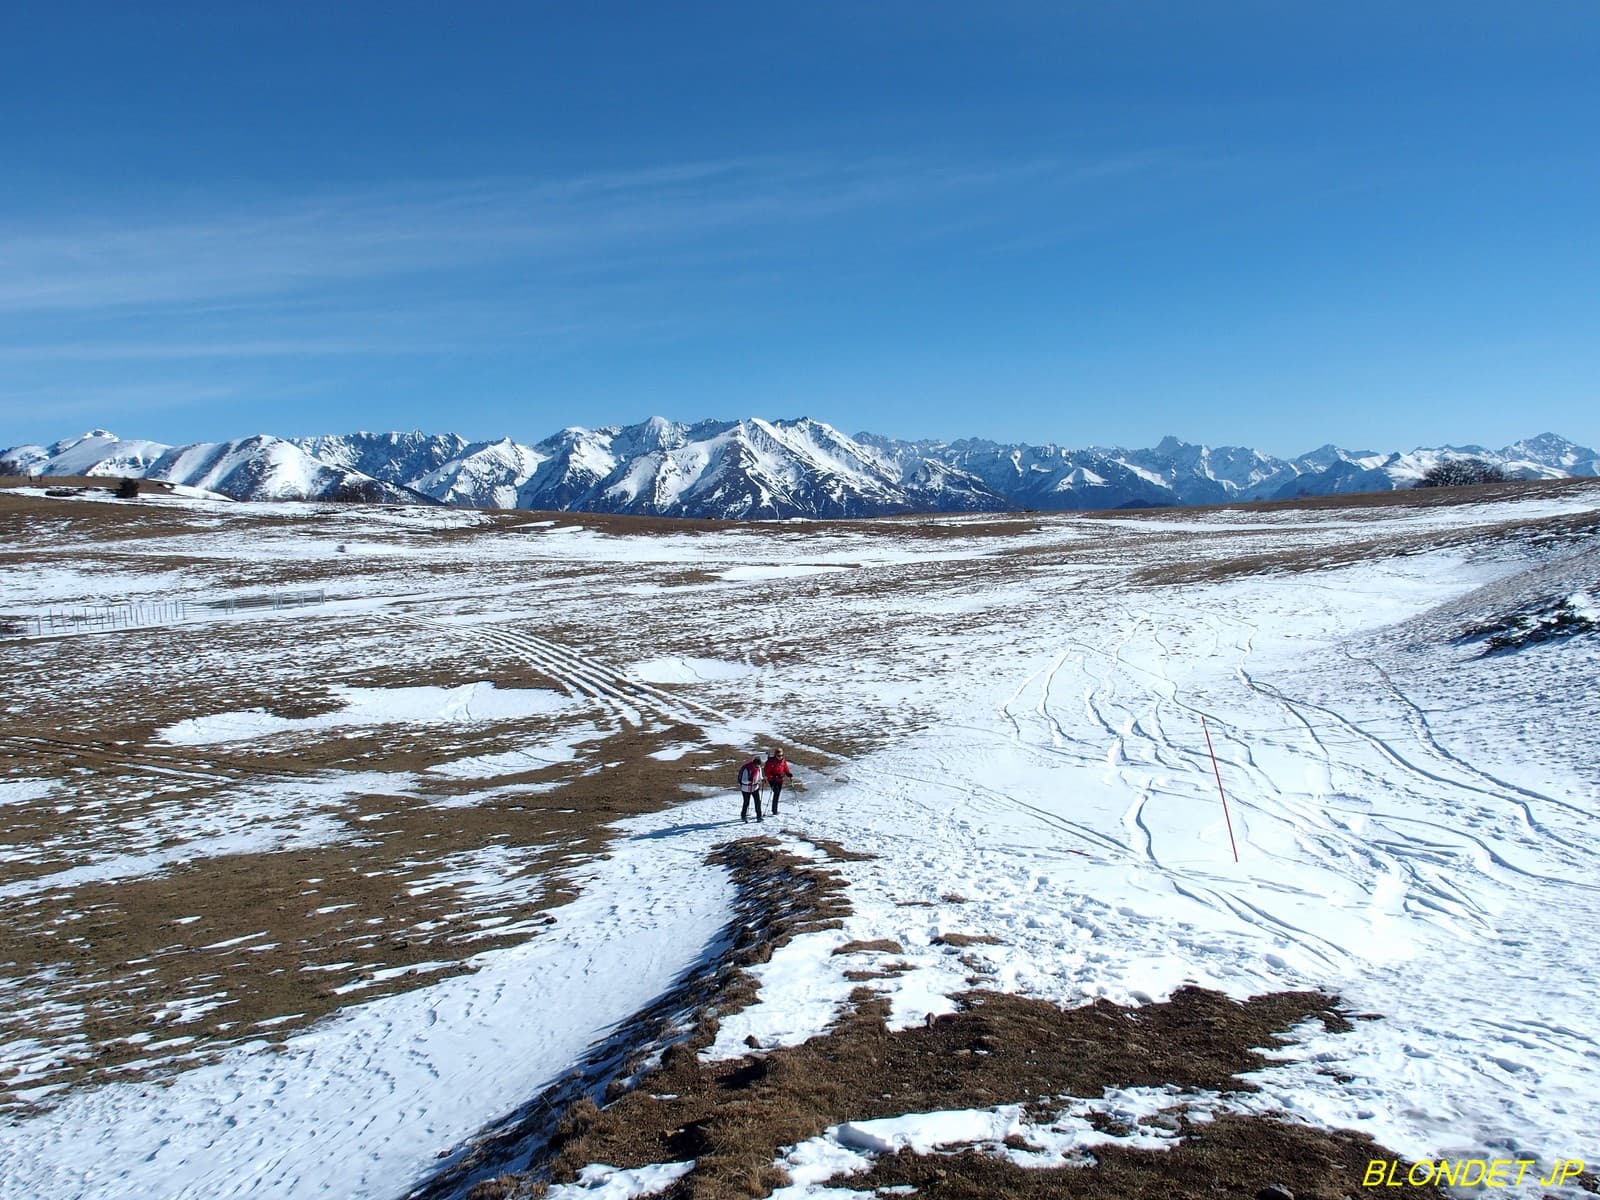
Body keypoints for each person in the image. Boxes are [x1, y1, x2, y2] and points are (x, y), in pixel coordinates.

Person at [763, 749, 793, 814]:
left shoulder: (783, 761)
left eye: (781, 755)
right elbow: (766, 772)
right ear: (775, 755)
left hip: (780, 779)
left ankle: (775, 809)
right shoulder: (770, 762)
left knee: (778, 793)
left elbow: (785, 768)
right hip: (772, 780)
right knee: (776, 792)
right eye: (779, 756)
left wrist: (788, 773)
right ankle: (774, 810)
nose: (780, 757)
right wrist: (773, 776)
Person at [738, 753, 765, 822]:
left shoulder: (759, 768)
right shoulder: (747, 769)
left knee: (757, 802)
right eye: (756, 766)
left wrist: (762, 779)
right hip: (746, 788)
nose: (757, 767)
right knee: (746, 802)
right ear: (753, 764)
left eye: (759, 766)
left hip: (755, 787)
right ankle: (743, 815)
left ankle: (759, 816)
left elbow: (760, 776)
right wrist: (749, 781)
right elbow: (743, 780)